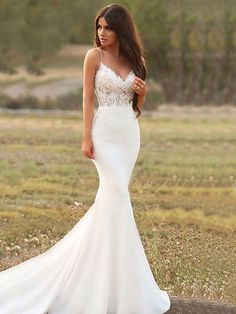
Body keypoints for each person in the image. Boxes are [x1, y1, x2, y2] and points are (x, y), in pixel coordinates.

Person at [0, 4, 171, 314]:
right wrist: (86, 137)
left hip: (128, 134)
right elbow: (87, 99)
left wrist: (142, 96)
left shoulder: (138, 62)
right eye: (99, 27)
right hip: (104, 133)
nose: (101, 33)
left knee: (114, 203)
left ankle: (115, 281)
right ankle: (97, 281)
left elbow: (135, 108)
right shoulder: (93, 57)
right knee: (116, 195)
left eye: (108, 28)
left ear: (122, 30)